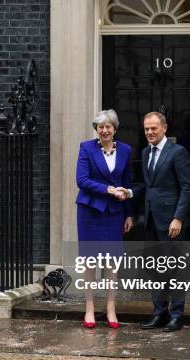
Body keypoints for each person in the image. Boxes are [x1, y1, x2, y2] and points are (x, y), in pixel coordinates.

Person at [116, 111, 190, 332]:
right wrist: (129, 193)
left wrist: (178, 218)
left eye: (154, 128)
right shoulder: (145, 153)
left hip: (171, 222)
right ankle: (159, 312)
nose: (149, 132)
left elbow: (187, 187)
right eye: (146, 129)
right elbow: (146, 186)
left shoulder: (178, 152)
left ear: (164, 128)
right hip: (151, 221)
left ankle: (176, 315)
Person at [76, 109, 134, 329]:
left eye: (108, 126)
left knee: (112, 263)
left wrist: (129, 213)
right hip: (90, 211)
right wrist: (108, 189)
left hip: (114, 213)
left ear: (115, 129)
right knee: (90, 262)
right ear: (96, 129)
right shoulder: (86, 148)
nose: (104, 130)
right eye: (100, 127)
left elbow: (127, 182)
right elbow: (81, 180)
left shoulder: (126, 150)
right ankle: (89, 308)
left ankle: (111, 308)